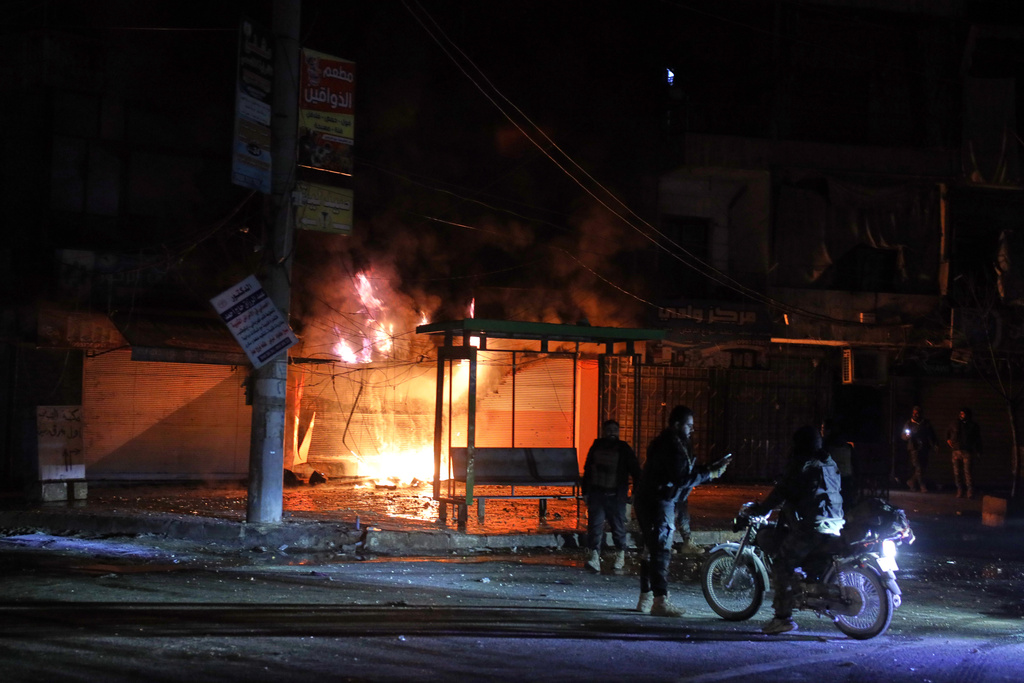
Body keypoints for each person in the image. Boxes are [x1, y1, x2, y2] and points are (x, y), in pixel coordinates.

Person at [745, 425, 845, 635]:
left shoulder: (801, 464)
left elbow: (781, 492)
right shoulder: (828, 462)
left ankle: (782, 618)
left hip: (812, 527)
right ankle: (808, 585)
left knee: (782, 563)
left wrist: (761, 509)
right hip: (835, 522)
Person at [633, 405, 731, 617]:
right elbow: (681, 478)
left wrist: (708, 469)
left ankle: (646, 598)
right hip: (658, 502)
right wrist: (710, 473)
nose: (691, 430)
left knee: (651, 550)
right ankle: (660, 601)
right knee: (660, 550)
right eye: (689, 426)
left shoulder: (670, 442)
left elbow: (685, 471)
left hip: (651, 500)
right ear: (677, 424)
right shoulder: (672, 446)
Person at [581, 419, 642, 573]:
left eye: (615, 430)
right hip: (597, 494)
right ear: (603, 432)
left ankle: (620, 555)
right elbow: (588, 469)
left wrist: (634, 492)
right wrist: (585, 492)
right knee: (595, 527)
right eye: (609, 430)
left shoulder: (624, 449)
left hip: (616, 496)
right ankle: (594, 558)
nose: (612, 433)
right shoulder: (596, 447)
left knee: (618, 528)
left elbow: (636, 472)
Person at [946, 407, 982, 498]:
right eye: (961, 413)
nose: (961, 415)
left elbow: (977, 439)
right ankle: (960, 489)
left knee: (968, 472)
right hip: (956, 451)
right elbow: (947, 433)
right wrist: (948, 440)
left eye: (963, 414)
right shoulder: (954, 423)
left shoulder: (973, 425)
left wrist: (978, 450)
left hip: (967, 451)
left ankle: (970, 490)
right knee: (957, 472)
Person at [821, 418, 856, 506]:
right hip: (846, 480)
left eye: (823, 428)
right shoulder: (848, 447)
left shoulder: (825, 447)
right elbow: (855, 465)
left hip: (831, 483)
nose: (821, 431)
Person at [901, 405, 936, 492]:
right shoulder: (909, 423)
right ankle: (922, 485)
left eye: (917, 413)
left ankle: (911, 481)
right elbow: (903, 435)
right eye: (914, 413)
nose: (915, 415)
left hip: (924, 447)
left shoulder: (925, 423)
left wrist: (934, 444)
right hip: (914, 448)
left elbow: (931, 434)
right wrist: (907, 436)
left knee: (923, 467)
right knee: (918, 467)